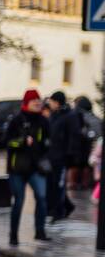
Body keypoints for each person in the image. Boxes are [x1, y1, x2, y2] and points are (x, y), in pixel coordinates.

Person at [4, 89, 50, 245]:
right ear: (26, 103)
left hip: (36, 168)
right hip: (17, 168)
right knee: (19, 201)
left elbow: (48, 142)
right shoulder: (16, 120)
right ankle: (13, 235)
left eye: (39, 101)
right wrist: (22, 142)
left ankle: (40, 231)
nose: (37, 104)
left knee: (42, 198)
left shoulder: (43, 121)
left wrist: (46, 149)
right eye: (34, 101)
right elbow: (7, 142)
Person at [46, 91, 75, 221]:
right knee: (53, 183)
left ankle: (58, 211)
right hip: (52, 156)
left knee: (59, 184)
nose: (49, 104)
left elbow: (72, 138)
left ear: (57, 102)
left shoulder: (69, 116)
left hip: (62, 157)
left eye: (51, 101)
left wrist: (69, 157)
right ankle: (66, 206)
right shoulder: (54, 115)